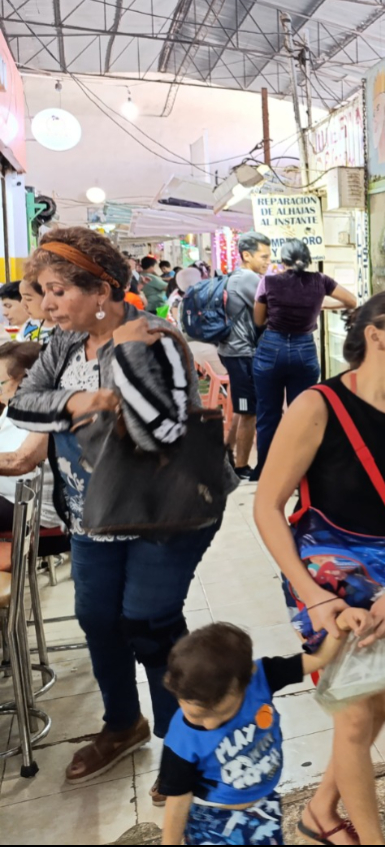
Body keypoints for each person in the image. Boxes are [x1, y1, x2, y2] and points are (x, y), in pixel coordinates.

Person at [7, 227, 221, 800]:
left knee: (148, 622)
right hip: (91, 513)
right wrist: (77, 401)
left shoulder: (155, 338)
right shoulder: (63, 345)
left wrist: (123, 358)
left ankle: (184, 747)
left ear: (100, 289)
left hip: (161, 512)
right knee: (99, 620)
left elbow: (163, 430)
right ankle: (124, 723)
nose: (47, 305)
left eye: (57, 291)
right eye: (41, 292)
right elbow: (23, 400)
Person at [253, 290, 385, 845]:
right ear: (376, 335)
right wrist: (315, 598)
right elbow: (266, 507)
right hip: (324, 577)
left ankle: (320, 810)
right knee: (356, 718)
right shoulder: (317, 406)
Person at [158, 619, 364, 846]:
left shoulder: (262, 677)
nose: (207, 725)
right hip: (214, 822)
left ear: (247, 680)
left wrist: (343, 624)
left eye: (219, 713)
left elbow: (319, 658)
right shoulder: (182, 740)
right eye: (194, 714)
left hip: (265, 806)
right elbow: (177, 800)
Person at [252, 239, 357, 475]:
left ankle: (266, 469)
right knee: (304, 414)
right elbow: (351, 300)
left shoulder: (268, 282)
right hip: (304, 349)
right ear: (308, 259)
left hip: (272, 348)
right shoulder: (320, 281)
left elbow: (258, 321)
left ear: (283, 260)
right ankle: (303, 470)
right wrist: (318, 306)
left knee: (268, 412)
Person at [0, 341, 65, 572]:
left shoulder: (44, 410)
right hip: (12, 498)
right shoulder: (14, 405)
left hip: (33, 512)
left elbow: (20, 461)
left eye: (1, 383)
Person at [221, 233, 273, 481]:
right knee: (249, 410)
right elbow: (273, 307)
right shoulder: (249, 278)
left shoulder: (237, 276)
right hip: (241, 352)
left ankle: (227, 457)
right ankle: (241, 466)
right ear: (246, 255)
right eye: (263, 257)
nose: (268, 261)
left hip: (235, 351)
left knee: (243, 409)